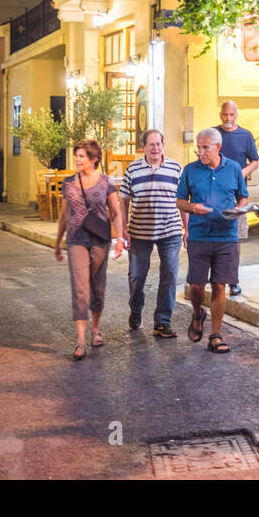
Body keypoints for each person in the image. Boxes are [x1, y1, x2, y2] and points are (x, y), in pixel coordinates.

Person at [176, 128, 249, 355]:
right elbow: (180, 200)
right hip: (199, 235)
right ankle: (198, 313)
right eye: (198, 147)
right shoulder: (190, 170)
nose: (201, 151)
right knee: (196, 286)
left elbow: (242, 195)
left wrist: (239, 209)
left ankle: (216, 335)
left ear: (218, 147)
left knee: (220, 285)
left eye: (205, 147)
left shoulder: (235, 168)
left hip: (227, 235)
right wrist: (192, 208)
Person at [55, 138, 126, 360]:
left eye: (82, 156)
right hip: (76, 240)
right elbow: (65, 214)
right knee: (80, 288)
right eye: (76, 155)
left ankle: (95, 329)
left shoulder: (105, 182)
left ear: (93, 159)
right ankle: (80, 340)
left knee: (98, 286)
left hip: (99, 240)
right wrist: (58, 241)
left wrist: (120, 239)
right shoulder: (69, 183)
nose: (77, 159)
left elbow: (116, 212)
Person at [121, 129, 186, 339]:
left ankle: (162, 322)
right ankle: (136, 309)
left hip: (171, 231)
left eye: (159, 144)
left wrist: (187, 228)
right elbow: (123, 200)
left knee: (169, 275)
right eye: (151, 144)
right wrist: (123, 228)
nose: (156, 148)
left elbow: (183, 201)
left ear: (163, 145)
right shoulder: (132, 170)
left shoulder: (176, 168)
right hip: (139, 231)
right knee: (136, 277)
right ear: (144, 147)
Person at [217, 100, 259, 296]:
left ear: (237, 115)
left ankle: (233, 279)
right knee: (215, 238)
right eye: (225, 115)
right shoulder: (214, 134)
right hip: (215, 194)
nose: (228, 119)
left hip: (237, 194)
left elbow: (255, 162)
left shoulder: (245, 135)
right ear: (220, 115)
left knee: (236, 238)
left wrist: (240, 173)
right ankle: (217, 278)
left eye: (231, 115)